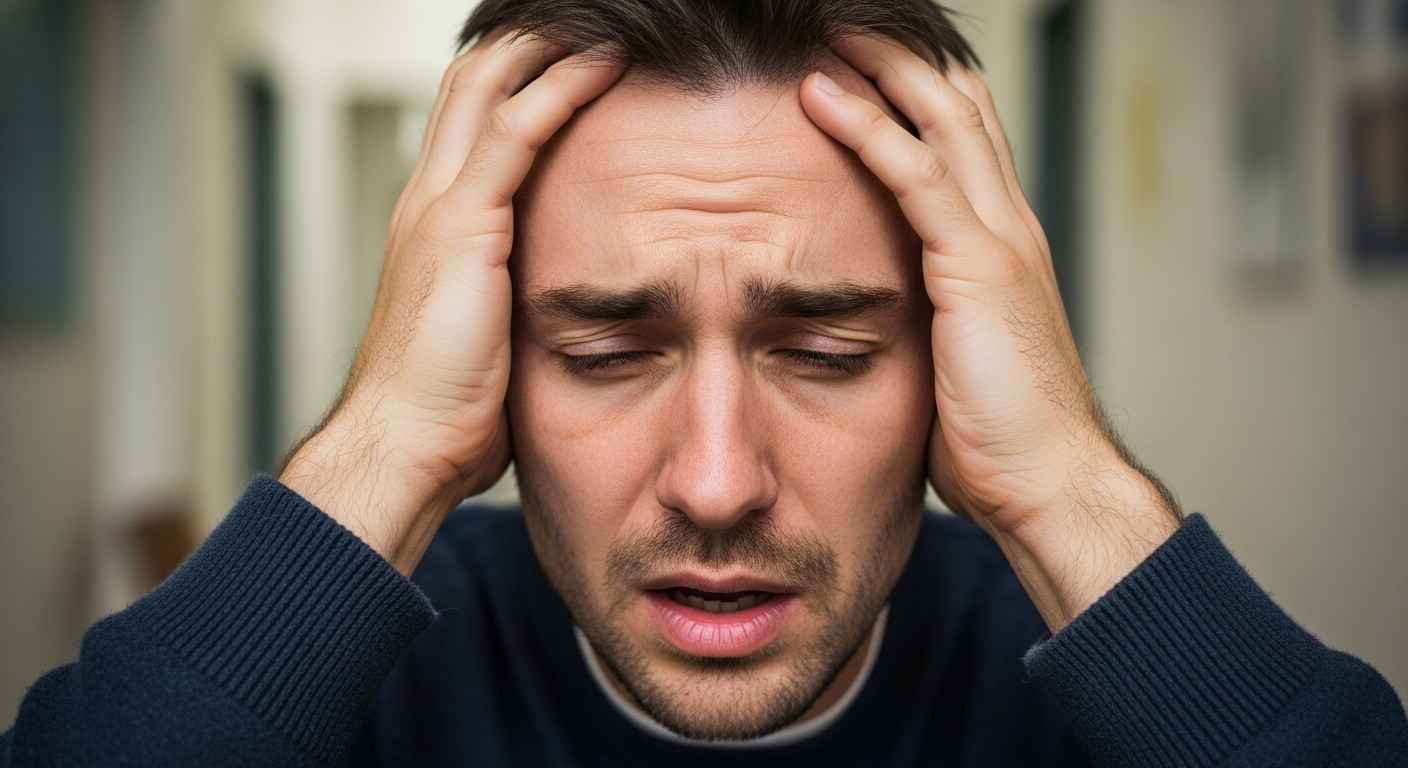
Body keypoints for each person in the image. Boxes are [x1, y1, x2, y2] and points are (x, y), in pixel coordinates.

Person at [4, 1, 1406, 765]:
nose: (718, 483)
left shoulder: (1089, 704)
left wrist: (1068, 487)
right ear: (485, 361)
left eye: (830, 351)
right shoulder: (361, 698)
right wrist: (381, 441)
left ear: (949, 360)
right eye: (605, 353)